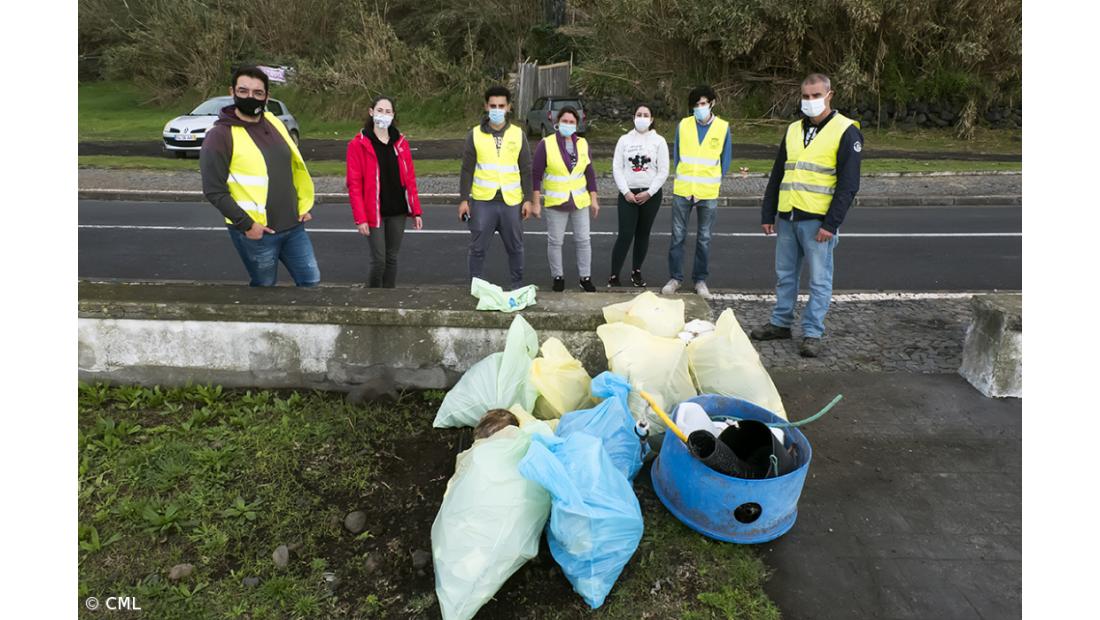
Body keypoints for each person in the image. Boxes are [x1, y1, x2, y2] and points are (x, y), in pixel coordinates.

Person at [750, 73, 863, 358]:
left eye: (816, 96)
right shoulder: (792, 130)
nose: (810, 101)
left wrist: (831, 223)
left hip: (817, 221)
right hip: (788, 217)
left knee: (819, 280)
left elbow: (849, 185)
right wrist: (768, 212)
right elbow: (778, 174)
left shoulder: (846, 130)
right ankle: (780, 322)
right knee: (785, 275)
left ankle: (813, 332)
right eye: (806, 96)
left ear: (829, 95)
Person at [201, 66, 319, 287]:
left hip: (294, 227)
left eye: (258, 93)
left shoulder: (274, 122)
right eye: (243, 91)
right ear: (232, 92)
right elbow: (214, 190)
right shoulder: (219, 136)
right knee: (264, 289)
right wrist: (247, 225)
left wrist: (303, 205)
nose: (250, 97)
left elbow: (292, 167)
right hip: (257, 232)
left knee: (311, 282)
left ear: (267, 96)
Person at [457, 85, 535, 289]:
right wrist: (464, 200)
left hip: (512, 202)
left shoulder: (518, 135)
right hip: (483, 202)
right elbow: (466, 170)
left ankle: (517, 287)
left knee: (516, 248)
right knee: (478, 248)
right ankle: (477, 288)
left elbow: (526, 169)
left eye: (501, 105)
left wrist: (529, 199)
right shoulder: (474, 135)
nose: (497, 109)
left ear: (509, 107)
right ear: (486, 106)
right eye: (493, 105)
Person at [661, 85, 732, 300]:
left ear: (712, 103)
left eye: (703, 104)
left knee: (704, 238)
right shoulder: (683, 125)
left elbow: (725, 161)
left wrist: (707, 184)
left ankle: (700, 280)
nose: (699, 108)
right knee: (677, 237)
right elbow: (678, 157)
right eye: (695, 105)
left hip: (707, 192)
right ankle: (675, 278)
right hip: (683, 190)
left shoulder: (722, 127)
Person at [345, 96, 424, 288]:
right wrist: (360, 218)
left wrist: (416, 211)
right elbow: (354, 185)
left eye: (388, 112)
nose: (384, 115)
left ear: (393, 116)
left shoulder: (401, 143)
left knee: (392, 258)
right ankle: (372, 298)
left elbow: (410, 179)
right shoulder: (357, 145)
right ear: (371, 112)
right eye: (380, 110)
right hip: (375, 212)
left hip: (397, 210)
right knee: (379, 260)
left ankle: (389, 298)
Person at [531, 106, 600, 292]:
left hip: (579, 202)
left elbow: (590, 173)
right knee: (555, 242)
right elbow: (536, 175)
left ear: (577, 125)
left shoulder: (583, 144)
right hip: (556, 203)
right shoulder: (546, 144)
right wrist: (536, 202)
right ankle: (558, 277)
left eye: (571, 122)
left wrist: (594, 199)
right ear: (557, 123)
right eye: (564, 121)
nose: (568, 125)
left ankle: (585, 277)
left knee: (584, 240)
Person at [609, 104, 669, 288]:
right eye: (639, 114)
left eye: (646, 115)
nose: (642, 117)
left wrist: (650, 192)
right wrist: (626, 191)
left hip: (650, 196)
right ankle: (614, 275)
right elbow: (617, 168)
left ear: (651, 119)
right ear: (634, 117)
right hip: (628, 195)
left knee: (643, 234)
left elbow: (663, 170)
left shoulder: (659, 141)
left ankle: (636, 272)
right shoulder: (624, 140)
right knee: (625, 234)